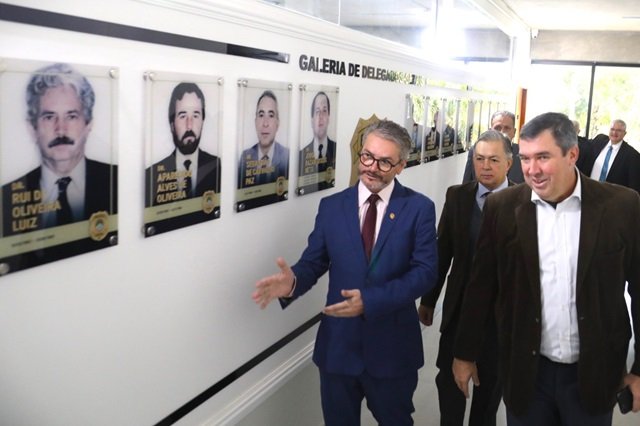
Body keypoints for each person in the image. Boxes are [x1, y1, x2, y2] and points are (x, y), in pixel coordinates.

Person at [452, 112, 640, 425]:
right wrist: (464, 353)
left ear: (572, 154)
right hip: (527, 375)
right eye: (525, 158)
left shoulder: (622, 206)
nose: (532, 169)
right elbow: (481, 285)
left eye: (543, 157)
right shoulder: (503, 207)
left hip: (594, 374)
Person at [252, 119, 438, 425]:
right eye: (367, 156)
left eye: (384, 162)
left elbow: (425, 272)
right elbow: (314, 262)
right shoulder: (332, 207)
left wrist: (371, 301)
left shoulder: (418, 209)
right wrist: (293, 282)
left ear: (401, 166)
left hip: (392, 351)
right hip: (339, 350)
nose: (372, 167)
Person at [419, 130, 513, 426]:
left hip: (500, 317)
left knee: (489, 391)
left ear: (509, 163)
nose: (485, 166)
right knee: (449, 385)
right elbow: (442, 251)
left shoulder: (525, 202)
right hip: (459, 310)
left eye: (494, 160)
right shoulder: (457, 197)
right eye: (479, 159)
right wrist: (429, 300)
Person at [2, 62, 117, 236]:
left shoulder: (117, 181)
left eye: (71, 116)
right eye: (49, 117)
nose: (61, 130)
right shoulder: (5, 198)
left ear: (88, 125)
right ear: (32, 128)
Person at [145, 82, 221, 207]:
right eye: (182, 116)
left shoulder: (216, 166)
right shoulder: (151, 175)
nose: (189, 125)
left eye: (195, 115)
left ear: (203, 121)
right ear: (172, 125)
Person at [238, 90, 289, 189]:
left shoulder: (287, 157)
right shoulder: (245, 158)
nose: (265, 123)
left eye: (271, 115)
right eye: (261, 115)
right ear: (255, 122)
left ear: (277, 123)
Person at [462, 110, 524, 183]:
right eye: (497, 128)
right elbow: (467, 183)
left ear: (514, 132)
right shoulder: (475, 151)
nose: (502, 132)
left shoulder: (524, 153)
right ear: (490, 131)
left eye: (507, 128)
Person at [581, 118, 640, 193]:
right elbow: (583, 146)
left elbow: (634, 186)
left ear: (625, 133)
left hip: (611, 197)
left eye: (619, 130)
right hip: (588, 191)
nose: (614, 133)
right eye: (612, 129)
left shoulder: (633, 156)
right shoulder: (599, 141)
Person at [298, 91, 336, 191]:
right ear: (312, 120)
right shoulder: (302, 155)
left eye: (324, 111)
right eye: (317, 112)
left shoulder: (336, 150)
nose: (321, 117)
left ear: (329, 118)